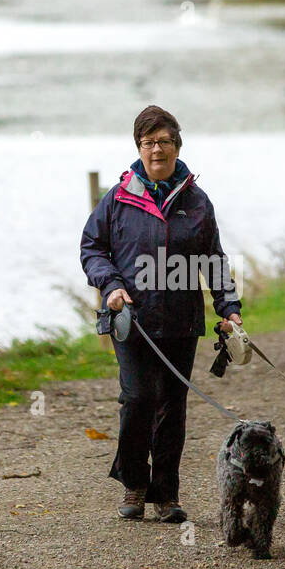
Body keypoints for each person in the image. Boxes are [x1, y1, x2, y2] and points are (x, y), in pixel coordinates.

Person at [80, 105, 243, 522]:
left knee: (172, 405)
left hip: (181, 322)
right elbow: (92, 249)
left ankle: (167, 494)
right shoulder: (117, 199)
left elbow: (213, 261)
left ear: (177, 146)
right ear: (139, 146)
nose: (157, 149)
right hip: (130, 320)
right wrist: (111, 285)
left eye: (165, 141)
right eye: (149, 142)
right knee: (138, 399)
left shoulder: (196, 201)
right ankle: (134, 484)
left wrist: (229, 309)